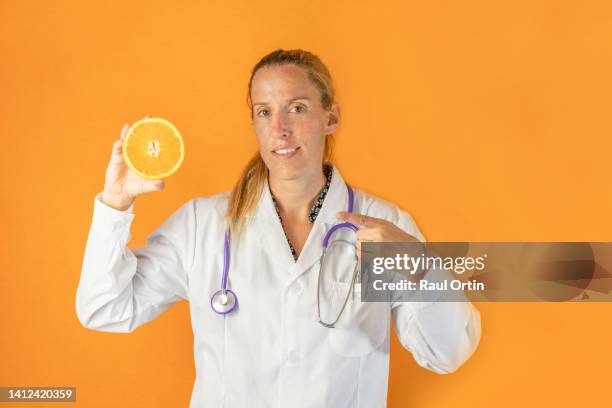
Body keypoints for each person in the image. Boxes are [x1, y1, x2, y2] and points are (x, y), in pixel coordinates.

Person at [76, 49, 481, 408]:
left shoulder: (386, 226)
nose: (279, 129)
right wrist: (115, 205)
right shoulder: (202, 224)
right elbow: (106, 308)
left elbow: (447, 353)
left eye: (298, 108)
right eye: (264, 111)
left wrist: (422, 270)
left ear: (331, 117)